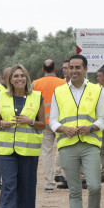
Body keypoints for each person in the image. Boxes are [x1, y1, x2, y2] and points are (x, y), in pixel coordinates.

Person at [51, 54, 104, 208]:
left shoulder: (98, 90)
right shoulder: (58, 92)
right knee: (74, 190)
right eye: (71, 67)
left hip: (90, 144)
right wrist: (63, 128)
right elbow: (52, 120)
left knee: (94, 186)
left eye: (78, 67)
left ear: (85, 69)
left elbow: (103, 119)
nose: (74, 71)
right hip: (67, 146)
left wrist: (91, 127)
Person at [0, 64, 45, 208]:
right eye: (15, 76)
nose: (19, 79)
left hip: (29, 150)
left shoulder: (37, 97)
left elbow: (42, 124)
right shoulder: (1, 96)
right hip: (7, 150)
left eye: (22, 76)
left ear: (27, 78)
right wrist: (2, 124)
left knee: (26, 188)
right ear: (10, 80)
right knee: (9, 185)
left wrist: (30, 121)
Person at [31, 59, 66, 192]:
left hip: (43, 122)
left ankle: (49, 184)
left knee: (46, 152)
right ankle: (60, 174)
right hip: (59, 121)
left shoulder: (35, 84)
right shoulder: (63, 83)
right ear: (55, 69)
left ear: (43, 70)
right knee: (62, 148)